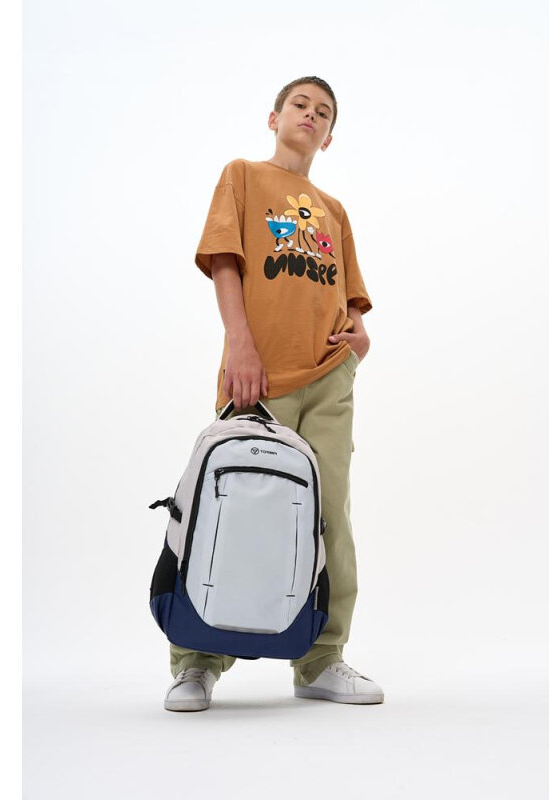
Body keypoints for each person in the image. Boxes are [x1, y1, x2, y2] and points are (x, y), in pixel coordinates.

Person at [164, 76, 384, 711]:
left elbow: (351, 297)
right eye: (300, 105)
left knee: (330, 517)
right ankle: (196, 661)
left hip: (329, 379)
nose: (310, 116)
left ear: (330, 136)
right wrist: (240, 343)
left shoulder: (333, 210)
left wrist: (358, 337)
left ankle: (321, 661)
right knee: (231, 511)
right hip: (257, 376)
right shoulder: (243, 176)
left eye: (323, 113)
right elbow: (224, 260)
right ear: (274, 117)